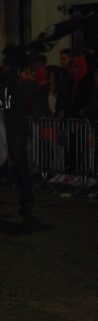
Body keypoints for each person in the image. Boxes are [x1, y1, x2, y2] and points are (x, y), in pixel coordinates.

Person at [0, 48, 35, 217]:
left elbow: (9, 104)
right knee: (20, 164)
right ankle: (27, 200)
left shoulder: (9, 81)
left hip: (12, 126)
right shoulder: (17, 82)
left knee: (19, 163)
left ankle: (27, 201)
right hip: (15, 126)